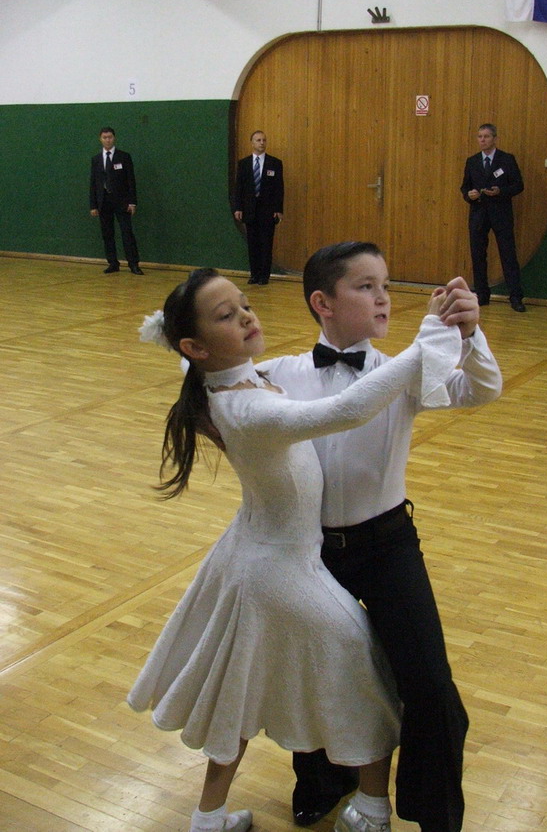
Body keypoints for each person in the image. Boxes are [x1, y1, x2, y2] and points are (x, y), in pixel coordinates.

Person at [129, 267, 459, 832]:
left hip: (250, 553)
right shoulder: (249, 409)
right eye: (227, 316)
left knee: (238, 689)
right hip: (281, 568)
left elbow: (185, 359)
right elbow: (346, 411)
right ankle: (372, 810)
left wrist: (174, 334)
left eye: (244, 304)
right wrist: (425, 340)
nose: (246, 317)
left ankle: (209, 819)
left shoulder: (222, 380)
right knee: (367, 673)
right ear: (197, 345)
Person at [255, 242, 503, 832]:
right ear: (323, 303)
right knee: (317, 673)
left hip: (389, 546)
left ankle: (432, 810)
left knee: (429, 683)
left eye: (385, 285)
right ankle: (323, 781)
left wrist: (470, 334)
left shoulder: (405, 372)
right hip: (309, 553)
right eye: (365, 287)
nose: (384, 297)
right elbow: (214, 384)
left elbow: (482, 389)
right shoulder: (281, 375)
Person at [460, 123, 525, 312]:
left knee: (508, 255)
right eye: (480, 136)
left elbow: (518, 185)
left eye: (486, 136)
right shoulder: (472, 161)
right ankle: (482, 294)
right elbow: (465, 187)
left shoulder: (506, 160)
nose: (482, 140)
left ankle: (516, 297)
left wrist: (500, 191)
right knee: (478, 255)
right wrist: (469, 195)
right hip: (478, 213)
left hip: (500, 213)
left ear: (494, 138)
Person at [89, 126, 143, 275]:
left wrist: (132, 202)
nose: (107, 140)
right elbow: (93, 183)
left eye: (110, 137)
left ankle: (133, 264)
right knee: (107, 234)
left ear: (114, 138)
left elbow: (131, 181)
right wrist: (93, 205)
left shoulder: (124, 157)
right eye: (104, 137)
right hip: (103, 202)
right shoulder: (96, 159)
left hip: (122, 202)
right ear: (100, 139)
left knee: (127, 233)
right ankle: (113, 263)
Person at [233, 130, 284, 285]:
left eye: (264, 140)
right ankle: (254, 274)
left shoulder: (274, 163)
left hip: (267, 211)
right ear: (252, 143)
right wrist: (238, 208)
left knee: (266, 244)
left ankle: (264, 276)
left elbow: (279, 188)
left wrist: (278, 209)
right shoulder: (244, 164)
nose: (262, 143)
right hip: (249, 210)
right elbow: (239, 188)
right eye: (258, 140)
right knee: (253, 244)